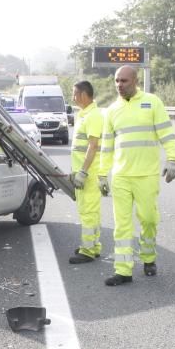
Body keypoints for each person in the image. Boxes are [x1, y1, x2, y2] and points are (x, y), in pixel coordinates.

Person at [97, 66, 175, 286]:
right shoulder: (112, 110)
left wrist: (172, 160)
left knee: (148, 220)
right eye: (116, 81)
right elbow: (107, 146)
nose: (119, 85)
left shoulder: (152, 102)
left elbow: (167, 135)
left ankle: (148, 257)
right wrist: (102, 174)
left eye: (124, 81)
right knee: (122, 225)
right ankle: (123, 270)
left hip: (147, 175)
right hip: (121, 176)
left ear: (135, 81)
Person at [68, 80, 104, 264]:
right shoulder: (83, 114)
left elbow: (93, 146)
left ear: (83, 95)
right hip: (83, 171)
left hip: (89, 173)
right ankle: (93, 246)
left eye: (74, 94)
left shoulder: (93, 116)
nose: (72, 97)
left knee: (88, 211)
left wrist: (83, 172)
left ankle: (88, 251)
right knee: (91, 211)